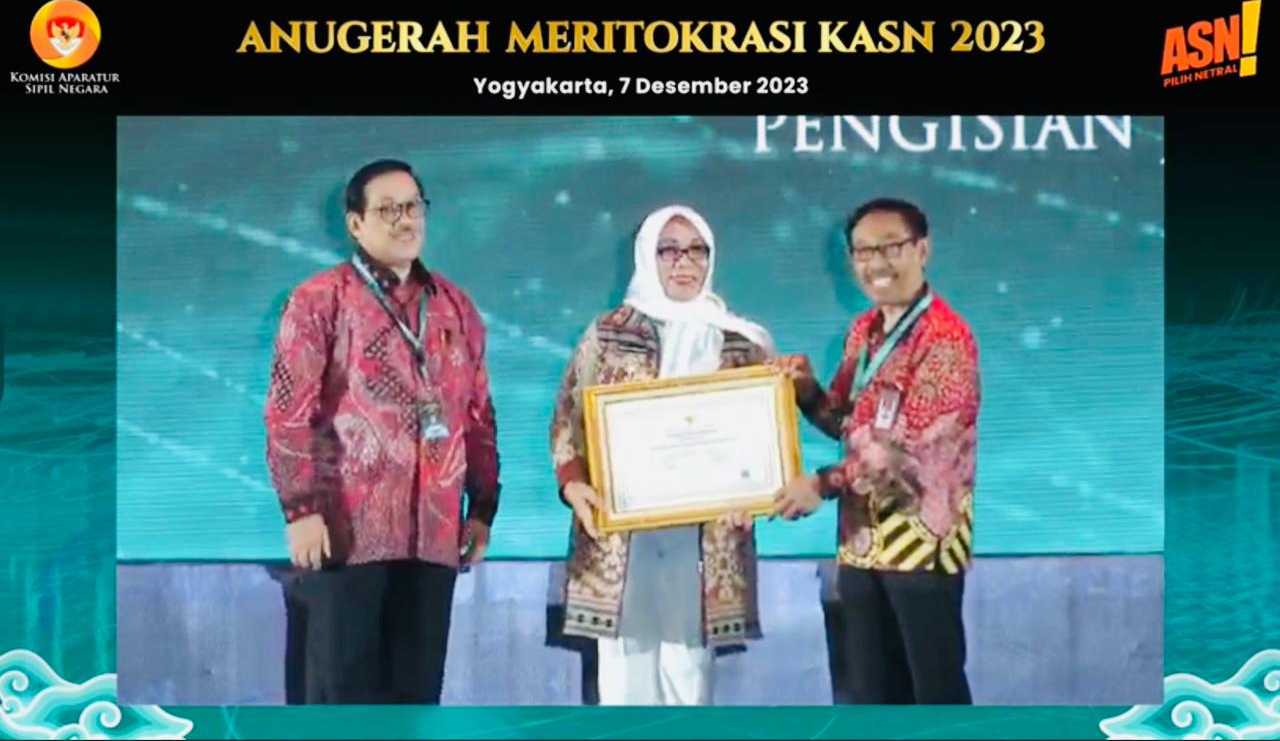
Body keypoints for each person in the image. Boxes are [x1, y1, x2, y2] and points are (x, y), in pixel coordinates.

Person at [264, 158, 500, 704]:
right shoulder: (319, 300)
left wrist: (483, 507)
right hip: (347, 533)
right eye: (388, 209)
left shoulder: (455, 307)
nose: (405, 220)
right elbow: (287, 413)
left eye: (413, 206)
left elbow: (478, 416)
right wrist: (301, 510)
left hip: (435, 534)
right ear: (355, 224)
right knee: (343, 698)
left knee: (416, 698)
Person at [549, 204, 774, 706]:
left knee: (689, 668)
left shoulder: (742, 342)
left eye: (696, 250)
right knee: (624, 666)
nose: (683, 262)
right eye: (668, 250)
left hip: (706, 532)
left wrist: (756, 492)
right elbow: (568, 416)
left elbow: (760, 438)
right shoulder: (608, 333)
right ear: (647, 256)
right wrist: (574, 483)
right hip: (620, 529)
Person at [771, 197, 980, 705]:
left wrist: (821, 484)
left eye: (891, 248)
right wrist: (806, 392)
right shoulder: (862, 332)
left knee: (934, 695)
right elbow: (848, 426)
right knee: (869, 694)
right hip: (861, 545)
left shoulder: (946, 339)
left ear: (922, 250)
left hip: (923, 548)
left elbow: (907, 453)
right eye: (864, 251)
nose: (877, 263)